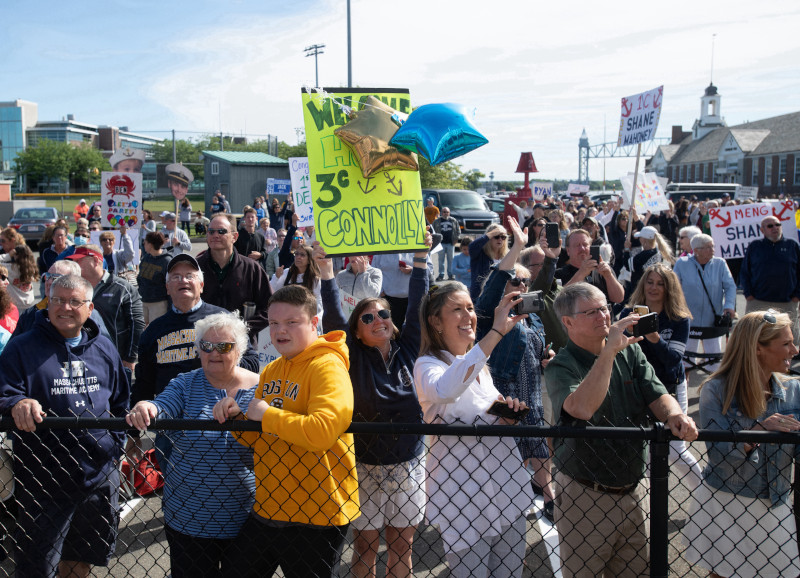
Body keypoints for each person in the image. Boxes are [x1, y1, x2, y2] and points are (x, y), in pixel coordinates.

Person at [545, 282, 698, 577]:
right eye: (591, 312)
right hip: (585, 491)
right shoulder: (561, 366)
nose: (603, 316)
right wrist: (609, 353)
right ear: (568, 322)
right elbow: (582, 408)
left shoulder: (631, 352)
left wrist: (675, 416)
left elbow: (657, 394)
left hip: (630, 489)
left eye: (605, 308)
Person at [213, 285, 359, 576]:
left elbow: (322, 431)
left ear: (313, 323)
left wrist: (268, 415)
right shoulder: (273, 369)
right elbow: (260, 436)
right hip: (269, 505)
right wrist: (236, 419)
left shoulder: (328, 366)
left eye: (292, 322)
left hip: (317, 513)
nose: (281, 330)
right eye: (274, 323)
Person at [0, 274, 128, 577]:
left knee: (82, 558)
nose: (65, 307)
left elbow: (122, 402)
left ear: (89, 308)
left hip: (96, 475)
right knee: (38, 564)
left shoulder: (105, 348)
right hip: (44, 477)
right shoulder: (22, 347)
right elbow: (4, 390)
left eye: (75, 301)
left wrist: (115, 446)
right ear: (48, 303)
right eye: (58, 300)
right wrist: (18, 402)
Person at [318, 235, 429, 578]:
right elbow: (335, 317)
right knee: (365, 549)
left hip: (408, 467)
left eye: (382, 313)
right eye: (367, 318)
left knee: (401, 547)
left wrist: (421, 259)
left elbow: (418, 304)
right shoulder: (350, 357)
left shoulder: (409, 349)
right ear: (357, 332)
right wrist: (325, 271)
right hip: (364, 467)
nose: (378, 319)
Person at [414, 282, 533, 578]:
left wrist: (506, 416)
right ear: (435, 321)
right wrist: (495, 334)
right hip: (463, 496)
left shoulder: (481, 366)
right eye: (457, 309)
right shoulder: (427, 365)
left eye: (470, 307)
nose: (468, 315)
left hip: (506, 487)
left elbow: (483, 415)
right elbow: (446, 390)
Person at [127, 312, 258, 577]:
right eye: (206, 346)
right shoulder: (185, 384)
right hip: (189, 520)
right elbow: (162, 406)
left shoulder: (263, 386)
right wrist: (146, 407)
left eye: (224, 346)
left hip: (249, 521)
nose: (214, 352)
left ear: (240, 349)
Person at [682, 311, 800, 578]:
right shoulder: (717, 390)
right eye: (786, 343)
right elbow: (719, 455)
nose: (794, 350)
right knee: (724, 574)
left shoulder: (794, 390)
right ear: (758, 348)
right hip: (726, 500)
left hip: (774, 501)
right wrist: (760, 430)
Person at [128, 253, 260, 461]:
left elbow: (252, 362)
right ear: (167, 288)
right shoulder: (154, 330)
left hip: (220, 421)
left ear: (201, 284)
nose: (183, 280)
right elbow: (144, 382)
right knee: (176, 483)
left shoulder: (222, 320)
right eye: (176, 277)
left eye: (190, 275)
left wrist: (218, 361)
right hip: (171, 424)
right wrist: (134, 433)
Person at [475, 217, 555, 520]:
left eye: (525, 282)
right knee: (509, 455)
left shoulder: (530, 314)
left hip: (531, 389)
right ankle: (505, 505)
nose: (522, 286)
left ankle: (548, 496)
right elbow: (497, 279)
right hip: (504, 391)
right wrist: (518, 246)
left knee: (537, 448)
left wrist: (547, 354)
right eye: (515, 281)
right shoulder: (487, 315)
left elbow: (538, 345)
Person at [622, 263, 703, 491]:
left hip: (670, 387)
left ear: (669, 288)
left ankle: (706, 496)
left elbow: (674, 360)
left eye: (660, 284)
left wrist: (654, 337)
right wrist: (623, 335)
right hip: (637, 389)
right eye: (650, 282)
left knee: (677, 450)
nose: (654, 288)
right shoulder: (628, 314)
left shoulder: (679, 318)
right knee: (644, 451)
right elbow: (616, 353)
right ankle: (648, 505)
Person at [67, 244, 144, 378]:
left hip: (115, 360)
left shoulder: (122, 288)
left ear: (96, 260)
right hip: (80, 361)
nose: (75, 264)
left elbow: (136, 324)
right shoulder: (73, 289)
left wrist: (130, 358)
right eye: (74, 260)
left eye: (79, 260)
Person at [198, 214, 272, 341]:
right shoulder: (195, 268)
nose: (215, 235)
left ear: (235, 236)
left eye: (221, 231)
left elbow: (270, 308)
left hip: (241, 344)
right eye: (211, 231)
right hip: (204, 345)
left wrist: (243, 328)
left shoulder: (252, 269)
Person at [673, 234, 737, 369]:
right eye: (708, 247)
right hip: (688, 320)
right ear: (696, 250)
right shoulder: (682, 263)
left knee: (714, 364)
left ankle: (713, 388)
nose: (713, 249)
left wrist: (729, 306)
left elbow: (730, 286)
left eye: (712, 246)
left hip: (713, 320)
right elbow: (673, 289)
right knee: (685, 365)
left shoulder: (720, 263)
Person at [12, 259, 110, 342]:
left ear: (75, 282)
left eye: (56, 278)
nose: (49, 282)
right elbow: (13, 352)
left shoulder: (89, 314)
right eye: (48, 276)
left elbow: (103, 348)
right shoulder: (30, 314)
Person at [740, 215, 800, 346]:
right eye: (770, 226)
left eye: (778, 225)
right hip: (758, 301)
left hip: (787, 302)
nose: (775, 228)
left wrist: (797, 295)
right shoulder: (755, 246)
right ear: (762, 230)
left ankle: (787, 365)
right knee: (754, 337)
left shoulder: (792, 245)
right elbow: (745, 272)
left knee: (789, 340)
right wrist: (748, 294)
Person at [555, 229, 625, 304]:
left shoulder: (603, 269)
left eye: (585, 244)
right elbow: (558, 301)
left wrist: (608, 276)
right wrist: (581, 273)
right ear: (568, 251)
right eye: (577, 245)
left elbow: (619, 299)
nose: (582, 248)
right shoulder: (558, 274)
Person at [270, 245, 323, 322]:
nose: (298, 257)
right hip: (286, 316)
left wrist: (316, 320)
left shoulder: (315, 278)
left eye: (302, 255)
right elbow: (273, 291)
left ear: (309, 259)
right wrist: (276, 277)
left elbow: (318, 301)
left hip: (305, 318)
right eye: (296, 254)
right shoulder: (287, 273)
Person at [624, 225, 675, 293]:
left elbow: (628, 266)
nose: (639, 239)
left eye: (640, 237)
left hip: (642, 290)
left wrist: (626, 249)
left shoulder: (645, 254)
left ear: (644, 239)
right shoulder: (658, 251)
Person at [137, 231, 172, 324]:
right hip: (143, 301)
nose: (143, 244)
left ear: (151, 245)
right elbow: (140, 278)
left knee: (156, 332)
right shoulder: (146, 258)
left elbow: (171, 285)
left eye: (145, 242)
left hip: (159, 303)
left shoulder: (167, 261)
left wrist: (170, 307)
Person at [468, 223, 509, 300]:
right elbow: (472, 247)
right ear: (489, 237)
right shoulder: (480, 254)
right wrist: (490, 234)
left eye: (503, 237)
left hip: (501, 297)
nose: (500, 239)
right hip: (481, 297)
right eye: (496, 236)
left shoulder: (507, 255)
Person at [0, 241, 36, 311]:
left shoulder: (11, 268)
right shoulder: (32, 268)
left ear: (17, 256)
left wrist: (8, 255)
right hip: (30, 301)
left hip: (16, 303)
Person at [433, 207, 459, 281]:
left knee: (451, 260)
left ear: (449, 213)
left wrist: (456, 239)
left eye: (447, 212)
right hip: (440, 244)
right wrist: (435, 241)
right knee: (441, 260)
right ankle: (441, 275)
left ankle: (451, 275)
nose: (445, 213)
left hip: (451, 243)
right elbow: (433, 231)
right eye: (444, 212)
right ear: (441, 213)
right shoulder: (437, 221)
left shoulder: (453, 220)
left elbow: (458, 230)